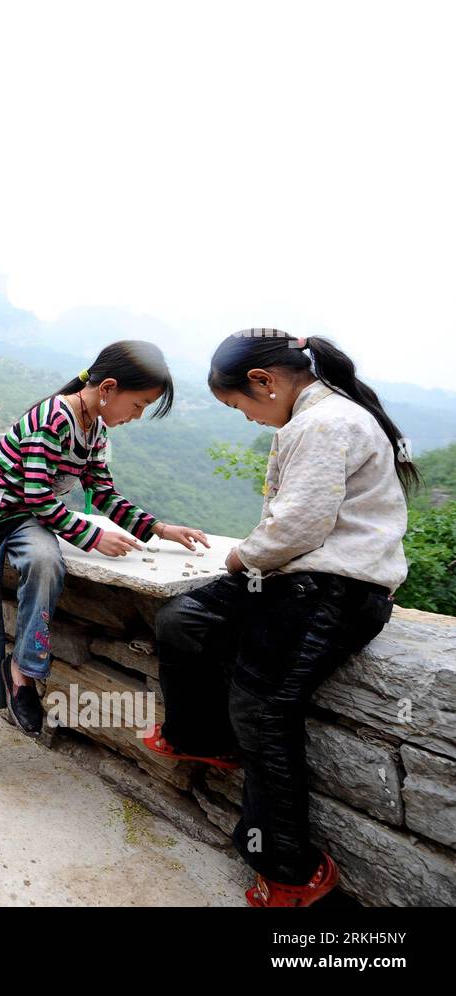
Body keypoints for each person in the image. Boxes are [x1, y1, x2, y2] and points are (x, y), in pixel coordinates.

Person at [144, 328, 411, 907]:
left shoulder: (325, 423)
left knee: (263, 708)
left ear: (264, 382)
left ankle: (292, 872)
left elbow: (298, 527)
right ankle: (201, 737)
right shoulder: (313, 420)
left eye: (239, 404)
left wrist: (241, 555)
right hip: (296, 582)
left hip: (335, 592)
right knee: (183, 619)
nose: (245, 417)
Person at [0, 341, 210, 791]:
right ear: (108, 388)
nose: (138, 415)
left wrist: (162, 529)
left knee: (46, 560)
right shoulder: (54, 418)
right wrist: (92, 537)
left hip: (27, 520)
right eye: (139, 404)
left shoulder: (97, 434)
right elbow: (36, 494)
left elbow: (104, 495)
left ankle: (23, 672)